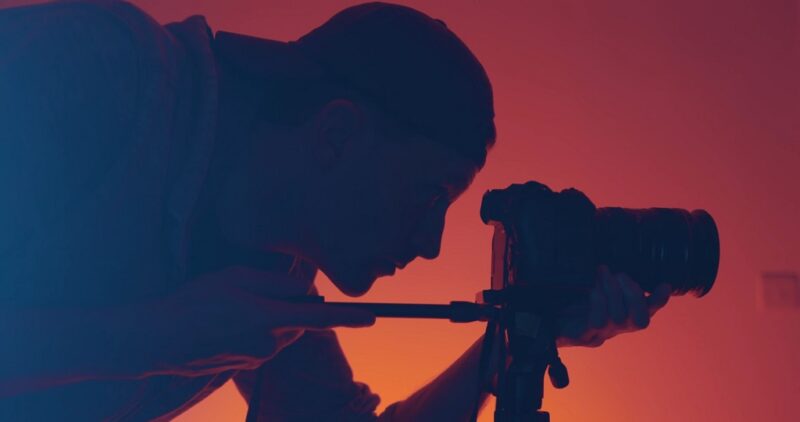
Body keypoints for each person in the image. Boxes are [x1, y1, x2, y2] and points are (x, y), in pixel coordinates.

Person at [0, 0, 671, 420]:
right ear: (335, 134)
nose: (432, 244)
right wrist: (162, 337)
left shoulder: (271, 292)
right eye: (427, 198)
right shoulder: (98, 68)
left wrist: (511, 344)